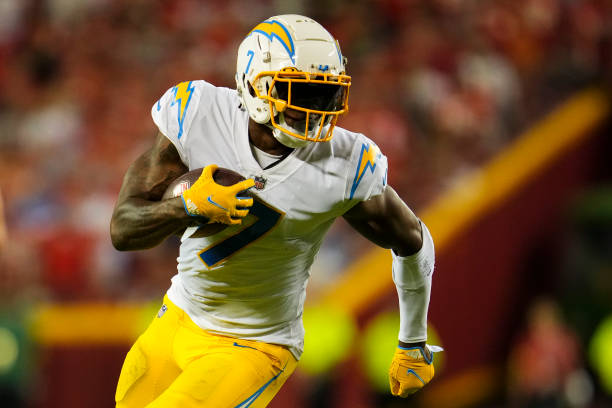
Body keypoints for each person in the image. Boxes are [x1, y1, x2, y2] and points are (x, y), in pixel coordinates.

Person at [110, 14, 439, 408]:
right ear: (255, 85)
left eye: (326, 95)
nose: (317, 110)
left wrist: (413, 341)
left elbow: (413, 241)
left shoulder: (345, 162)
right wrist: (184, 208)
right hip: (178, 315)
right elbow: (123, 230)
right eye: (300, 92)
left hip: (253, 345)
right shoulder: (198, 114)